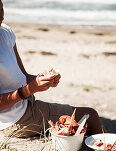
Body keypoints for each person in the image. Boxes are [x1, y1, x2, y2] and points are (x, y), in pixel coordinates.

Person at [0, 0, 104, 138]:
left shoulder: (5, 32)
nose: (1, 16)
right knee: (90, 116)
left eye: (1, 9)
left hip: (24, 105)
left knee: (82, 124)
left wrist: (41, 80)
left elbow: (22, 75)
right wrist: (29, 89)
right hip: (13, 120)